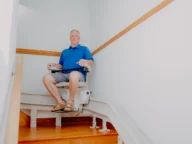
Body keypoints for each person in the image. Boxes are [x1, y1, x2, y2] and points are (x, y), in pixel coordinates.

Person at [42, 29, 94, 112]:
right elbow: (61, 65)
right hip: (64, 73)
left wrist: (85, 61)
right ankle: (60, 102)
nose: (74, 37)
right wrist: (54, 65)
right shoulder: (64, 52)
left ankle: (70, 102)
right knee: (46, 78)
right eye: (72, 36)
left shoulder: (84, 49)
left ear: (79, 38)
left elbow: (91, 61)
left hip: (78, 73)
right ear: (70, 38)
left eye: (76, 36)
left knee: (73, 74)